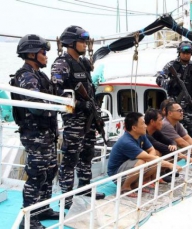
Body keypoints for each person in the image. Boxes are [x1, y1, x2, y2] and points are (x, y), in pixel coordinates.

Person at [51, 25, 105, 208]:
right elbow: (57, 91)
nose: (85, 44)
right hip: (74, 119)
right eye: (82, 41)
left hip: (88, 117)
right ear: (71, 43)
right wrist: (81, 104)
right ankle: (66, 196)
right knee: (70, 158)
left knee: (87, 154)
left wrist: (93, 106)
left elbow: (88, 88)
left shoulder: (82, 63)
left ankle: (84, 188)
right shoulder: (61, 63)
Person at [13, 34, 59, 229]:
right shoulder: (26, 76)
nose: (46, 56)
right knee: (36, 174)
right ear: (31, 54)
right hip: (34, 134)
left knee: (49, 171)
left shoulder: (40, 76)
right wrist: (56, 104)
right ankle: (29, 217)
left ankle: (43, 208)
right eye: (43, 52)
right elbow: (36, 106)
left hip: (46, 133)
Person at [107, 112, 181, 197]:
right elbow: (147, 157)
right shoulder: (126, 141)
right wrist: (170, 165)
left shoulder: (141, 135)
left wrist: (150, 160)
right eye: (143, 123)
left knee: (154, 156)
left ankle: (136, 184)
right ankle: (125, 187)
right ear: (134, 128)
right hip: (117, 175)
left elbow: (152, 150)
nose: (146, 126)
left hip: (128, 169)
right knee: (142, 161)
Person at [156, 41, 192, 140]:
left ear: (191, 53)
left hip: (190, 105)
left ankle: (191, 151)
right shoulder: (171, 65)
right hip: (173, 104)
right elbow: (159, 79)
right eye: (183, 53)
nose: (186, 55)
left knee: (191, 130)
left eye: (188, 53)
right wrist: (169, 84)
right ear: (179, 53)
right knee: (170, 128)